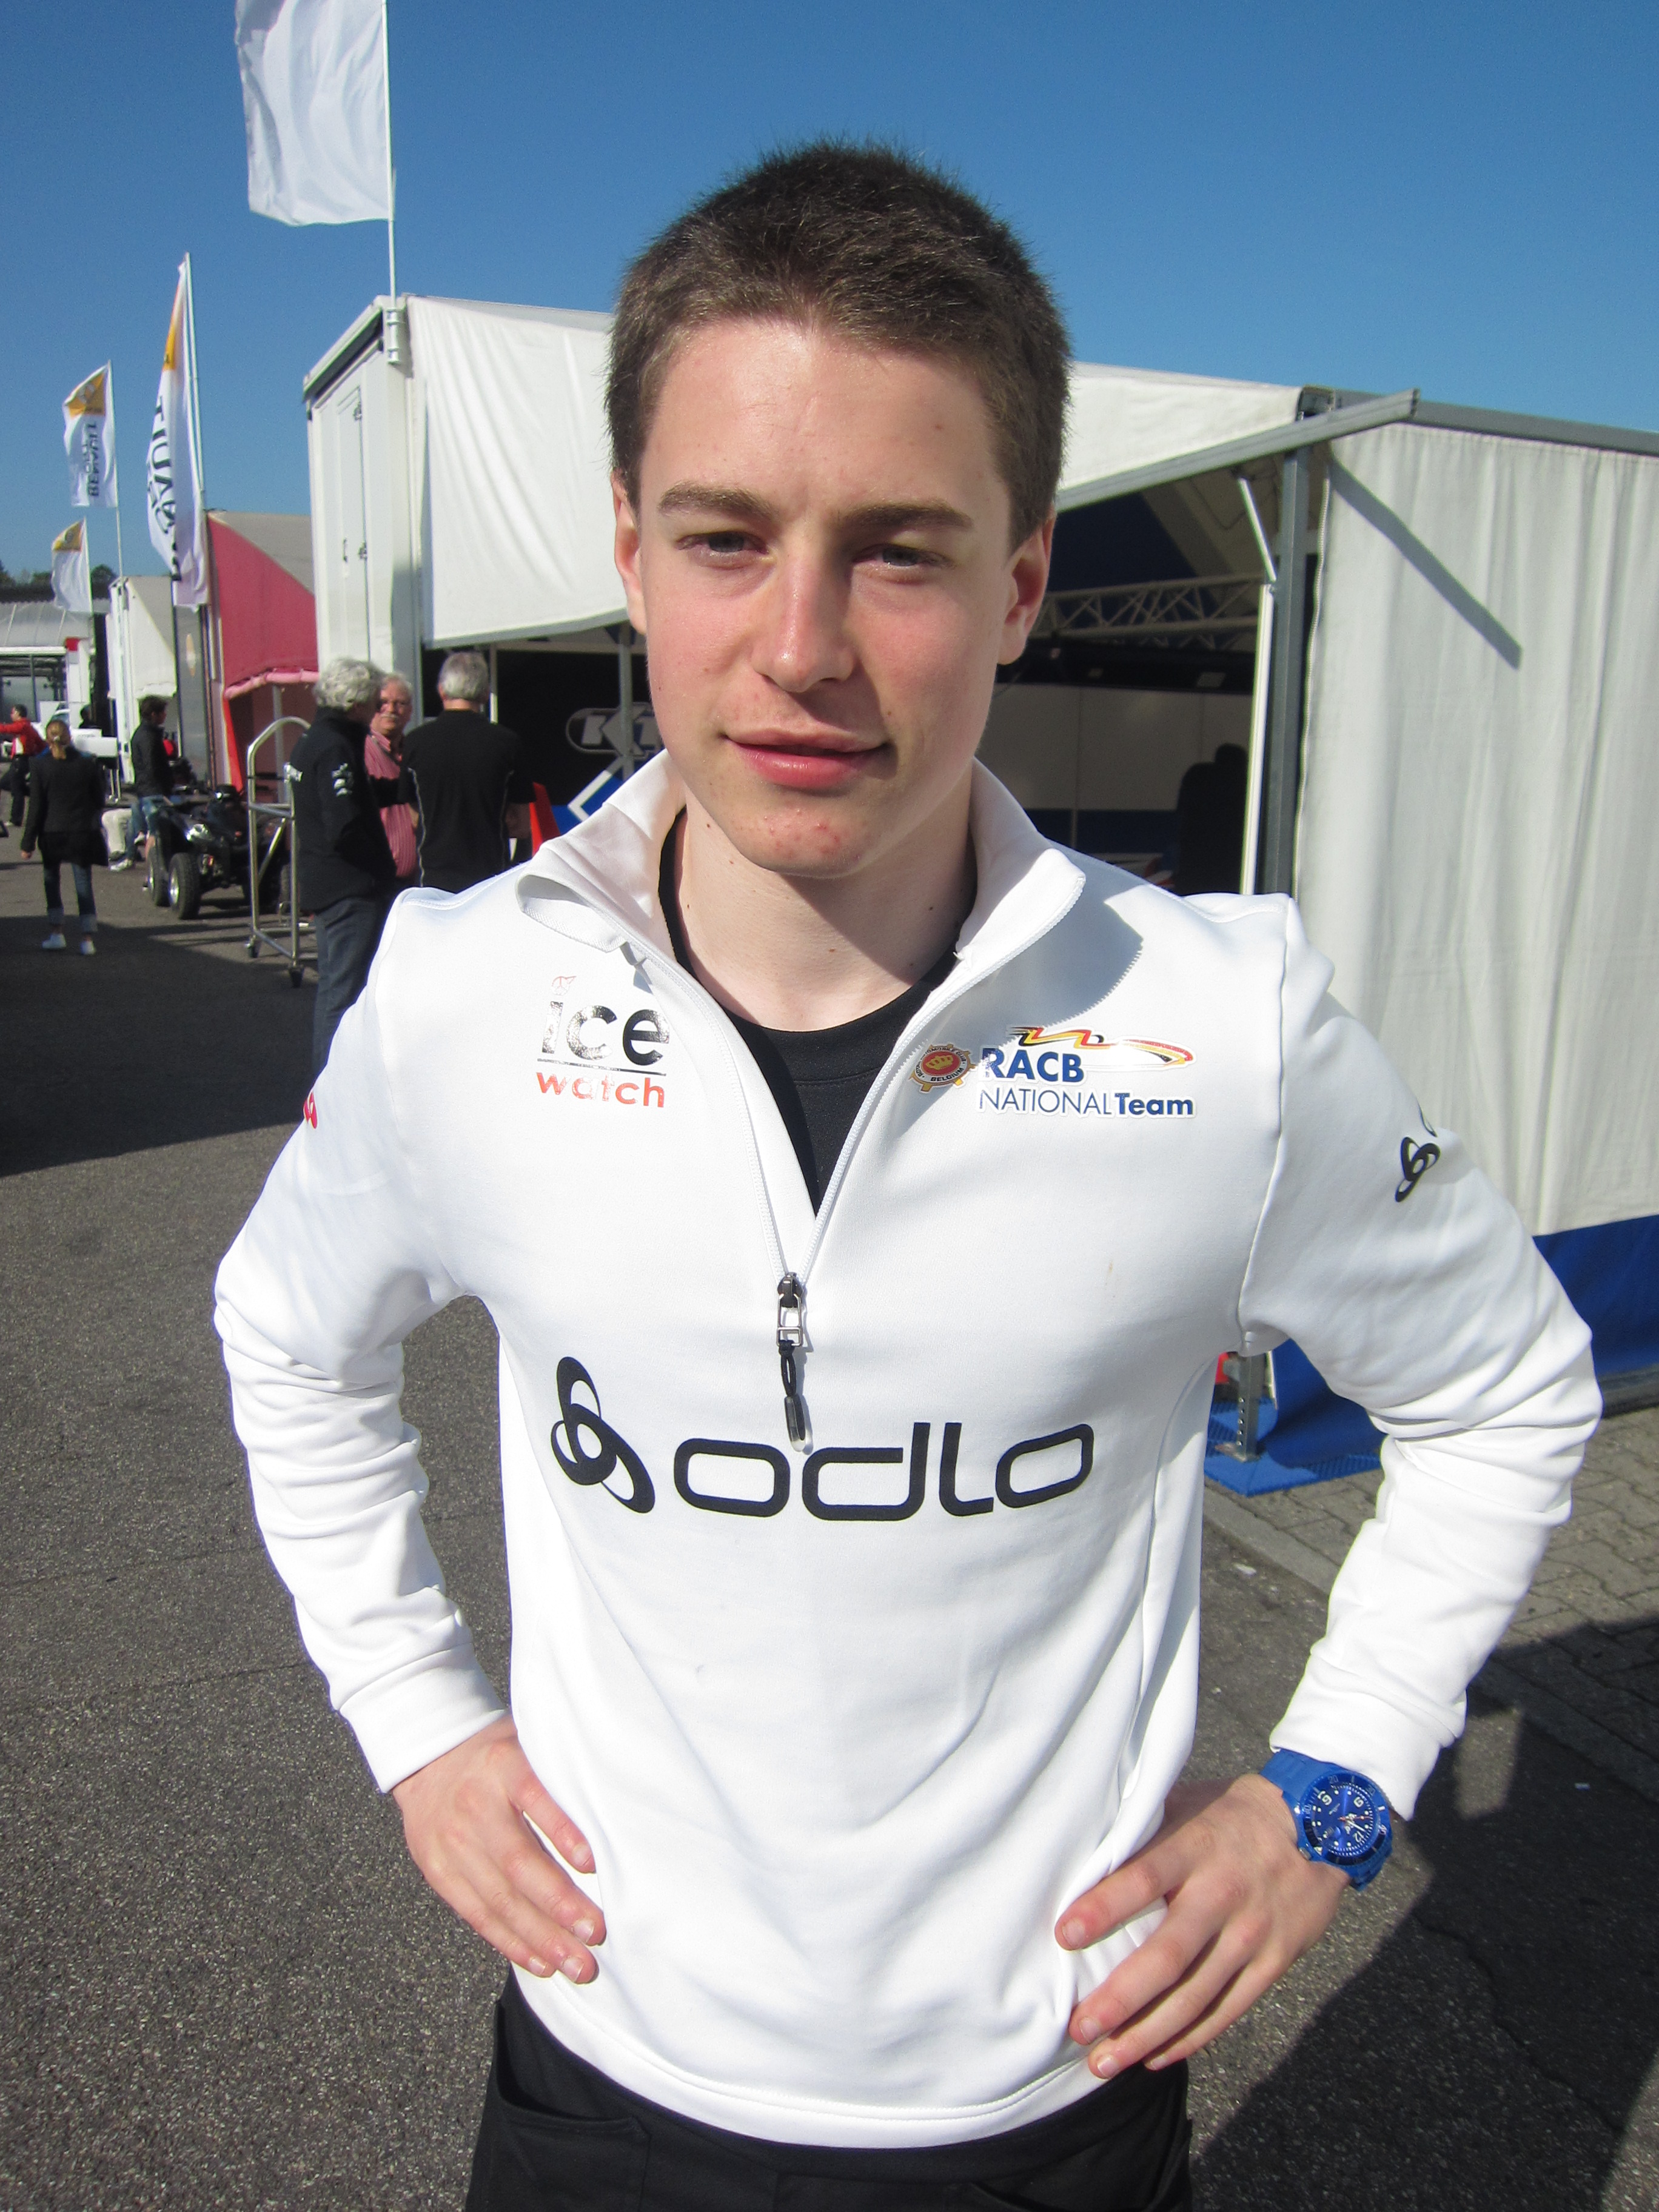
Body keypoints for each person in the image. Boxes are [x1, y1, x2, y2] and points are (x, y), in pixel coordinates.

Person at [215, 146, 1598, 2211]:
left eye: (897, 553)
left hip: (1047, 2105)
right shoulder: (457, 995)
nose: (801, 645)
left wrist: (1326, 1793)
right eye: (726, 538)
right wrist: (415, 1712)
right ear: (629, 552)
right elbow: (283, 1336)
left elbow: (1505, 1391)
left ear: (1019, 583)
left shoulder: (1221, 1021)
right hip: (604, 2083)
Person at [286, 657, 402, 1079]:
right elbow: (344, 821)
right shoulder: (335, 746)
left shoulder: (312, 739)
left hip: (326, 881)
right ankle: (329, 1084)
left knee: (337, 986)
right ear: (355, 703)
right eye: (374, 700)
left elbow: (352, 796)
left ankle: (333, 1080)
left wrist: (399, 788)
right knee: (343, 991)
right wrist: (379, 873)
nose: (378, 709)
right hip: (348, 888)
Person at [397, 650, 533, 893]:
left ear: (442, 690)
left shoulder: (415, 742)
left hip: (433, 877)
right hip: (490, 879)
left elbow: (415, 818)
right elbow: (522, 825)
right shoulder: (507, 743)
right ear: (485, 693)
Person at [21, 716, 106, 953]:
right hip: (81, 831)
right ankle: (87, 939)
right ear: (70, 736)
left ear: (47, 739)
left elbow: (36, 807)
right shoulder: (87, 763)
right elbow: (99, 800)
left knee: (52, 881)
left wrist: (28, 842)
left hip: (52, 832)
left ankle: (57, 933)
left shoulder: (39, 766)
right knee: (83, 884)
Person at [364, 671, 420, 889]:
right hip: (376, 882)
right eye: (384, 702)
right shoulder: (361, 751)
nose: (391, 710)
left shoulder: (414, 753)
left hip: (412, 883)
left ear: (410, 711)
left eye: (400, 703)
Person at [119, 695, 180, 870]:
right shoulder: (149, 737)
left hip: (145, 789)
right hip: (153, 791)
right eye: (163, 712)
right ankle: (155, 874)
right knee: (155, 834)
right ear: (154, 714)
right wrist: (165, 784)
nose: (165, 715)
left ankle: (133, 857)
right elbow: (151, 765)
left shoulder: (142, 734)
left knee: (147, 830)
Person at [1, 704, 45, 837]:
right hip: (22, 760)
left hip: (20, 760)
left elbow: (8, 729)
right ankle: (33, 792)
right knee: (7, 784)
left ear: (18, 713)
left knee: (16, 789)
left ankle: (16, 819)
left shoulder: (23, 726)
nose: (11, 715)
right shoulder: (29, 727)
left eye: (13, 712)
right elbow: (40, 743)